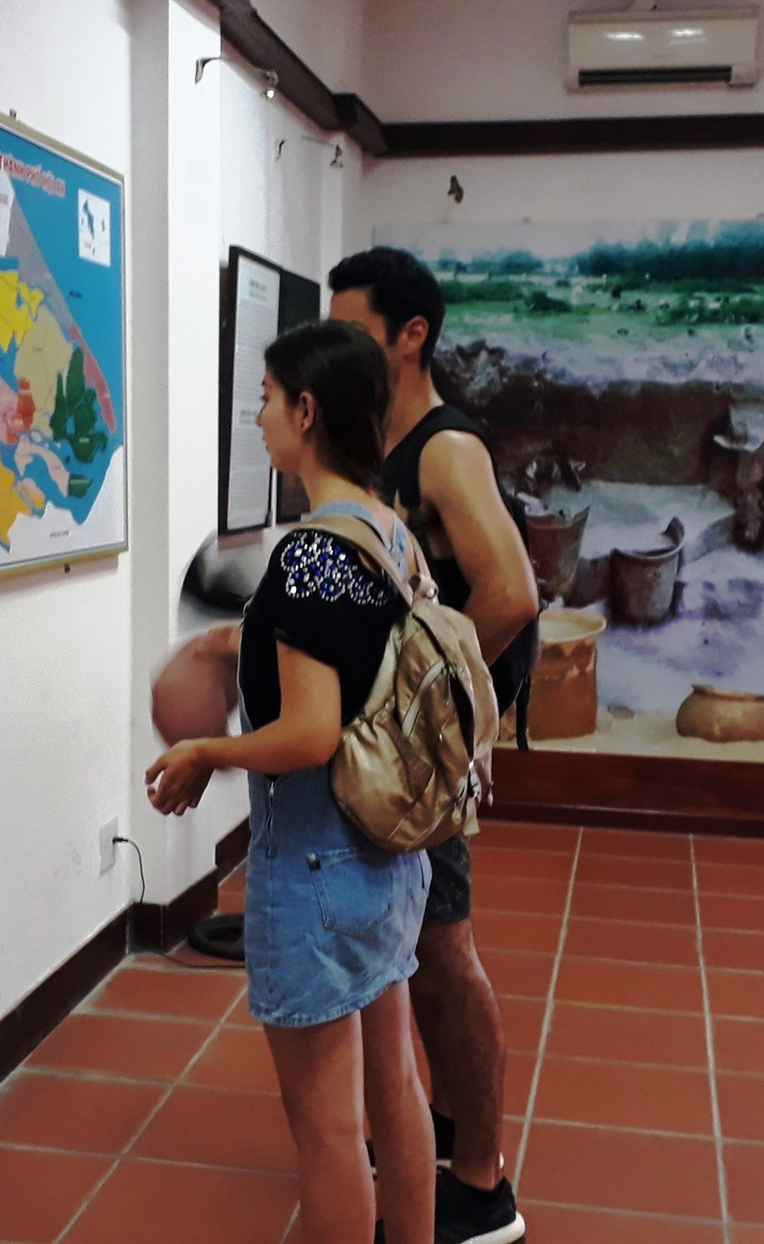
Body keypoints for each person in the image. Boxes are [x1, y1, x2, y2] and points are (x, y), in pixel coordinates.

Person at [147, 320, 435, 1244]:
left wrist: (205, 754)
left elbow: (310, 733)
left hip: (315, 867)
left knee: (326, 1128)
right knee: (395, 1087)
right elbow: (354, 667)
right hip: (389, 855)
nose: (259, 418)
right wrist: (242, 639)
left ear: (307, 412)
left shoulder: (307, 554)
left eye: (267, 399)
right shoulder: (389, 534)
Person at [329, 247, 538, 1244]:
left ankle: (485, 1189)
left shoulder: (448, 451)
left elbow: (511, 594)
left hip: (427, 755)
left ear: (412, 336)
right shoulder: (378, 445)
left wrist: (432, 715)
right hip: (391, 748)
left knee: (442, 951)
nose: (338, 348)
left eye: (355, 330)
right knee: (411, 952)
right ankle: (449, 1131)